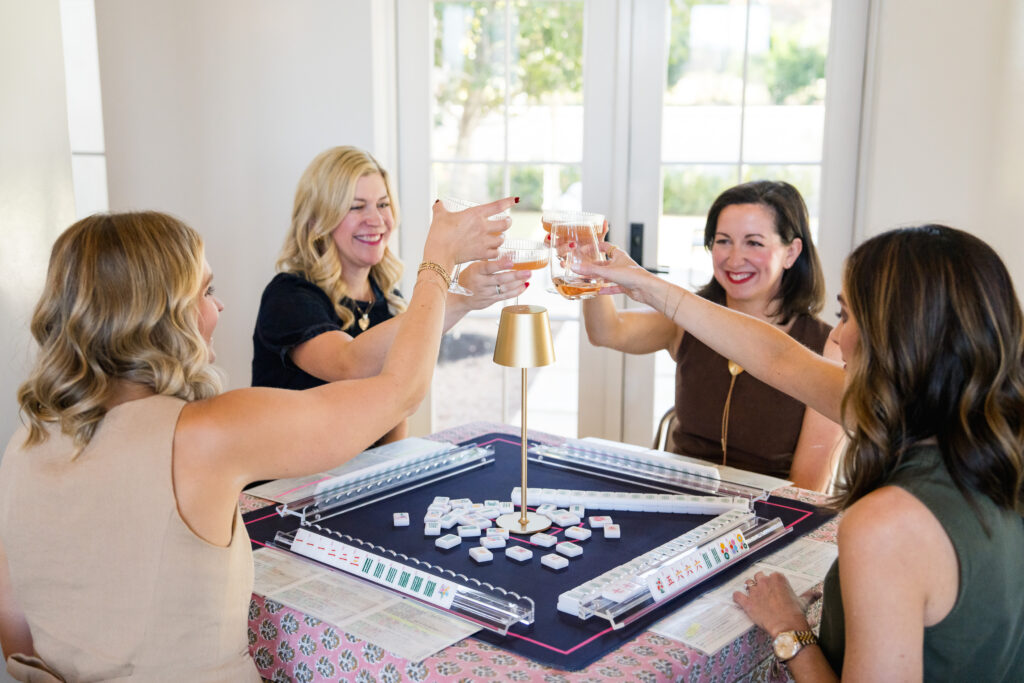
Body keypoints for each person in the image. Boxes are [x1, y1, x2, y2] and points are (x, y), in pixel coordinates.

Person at [0, 199, 513, 680]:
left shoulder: (24, 440)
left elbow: (17, 627)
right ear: (158, 313)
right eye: (203, 291)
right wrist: (437, 263)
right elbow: (398, 393)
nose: (218, 306)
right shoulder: (204, 431)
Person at [576, 224, 1024, 680]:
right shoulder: (989, 435)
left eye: (848, 318)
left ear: (900, 339)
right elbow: (781, 360)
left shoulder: (888, 524)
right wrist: (642, 282)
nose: (838, 339)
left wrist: (791, 630)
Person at [252, 146, 531, 443]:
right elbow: (350, 364)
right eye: (356, 207)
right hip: (286, 485)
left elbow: (394, 409)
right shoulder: (288, 295)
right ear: (317, 220)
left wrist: (467, 296)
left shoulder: (385, 295)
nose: (376, 219)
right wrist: (457, 294)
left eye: (383, 204)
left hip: (357, 479)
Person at [582, 181, 843, 490]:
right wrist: (591, 269)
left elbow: (808, 487)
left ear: (791, 252)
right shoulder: (687, 320)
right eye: (723, 241)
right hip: (680, 501)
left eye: (754, 243)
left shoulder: (828, 347)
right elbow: (606, 331)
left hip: (767, 516)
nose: (734, 259)